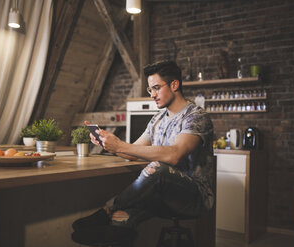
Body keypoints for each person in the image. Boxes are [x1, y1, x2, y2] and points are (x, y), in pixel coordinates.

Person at [72, 61, 214, 236]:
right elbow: (132, 152)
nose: (152, 95)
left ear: (174, 85)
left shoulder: (196, 117)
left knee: (157, 169)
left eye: (156, 88)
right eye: (150, 90)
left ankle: (107, 209)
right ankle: (113, 214)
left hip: (193, 197)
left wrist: (120, 145)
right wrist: (108, 143)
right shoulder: (157, 119)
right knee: (121, 219)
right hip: (160, 193)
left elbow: (175, 155)